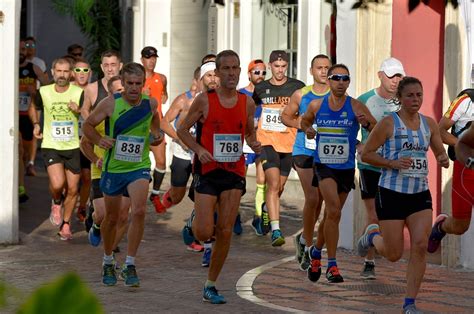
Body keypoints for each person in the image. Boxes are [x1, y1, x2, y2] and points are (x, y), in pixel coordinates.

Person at [357, 77, 449, 313]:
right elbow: (366, 154)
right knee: (393, 254)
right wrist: (391, 162)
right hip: (391, 193)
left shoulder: (429, 124)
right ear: (400, 98)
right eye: (410, 95)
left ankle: (409, 304)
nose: (415, 99)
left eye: (419, 95)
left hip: (419, 195)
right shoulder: (388, 123)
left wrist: (442, 158)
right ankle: (372, 235)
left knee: (419, 246)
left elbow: (439, 151)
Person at [177, 50, 261, 304]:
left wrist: (255, 144)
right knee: (204, 233)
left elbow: (247, 133)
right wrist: (199, 149)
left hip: (234, 171)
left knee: (224, 230)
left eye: (235, 68)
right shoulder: (204, 100)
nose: (232, 73)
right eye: (226, 68)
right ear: (218, 72)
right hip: (208, 170)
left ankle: (211, 284)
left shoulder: (247, 102)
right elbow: (182, 130)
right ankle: (194, 223)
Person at [83, 62, 163, 287]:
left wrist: (155, 134)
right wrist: (100, 140)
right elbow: (87, 126)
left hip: (138, 166)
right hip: (113, 168)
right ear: (123, 82)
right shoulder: (109, 104)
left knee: (138, 212)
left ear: (143, 84)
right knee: (111, 218)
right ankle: (108, 259)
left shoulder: (150, 104)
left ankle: (129, 264)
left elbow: (155, 121)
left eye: (138, 84)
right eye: (130, 84)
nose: (134, 88)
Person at [300, 64, 377, 283]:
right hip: (324, 165)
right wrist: (308, 128)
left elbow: (376, 127)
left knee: (332, 215)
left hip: (345, 168)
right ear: (329, 81)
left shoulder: (355, 106)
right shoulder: (317, 105)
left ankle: (316, 252)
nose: (341, 82)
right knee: (333, 209)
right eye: (336, 78)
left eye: (345, 78)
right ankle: (331, 265)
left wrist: (367, 124)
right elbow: (305, 120)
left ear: (349, 82)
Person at [356, 57, 405, 279]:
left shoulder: (403, 101)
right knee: (373, 213)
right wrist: (357, 144)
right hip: (370, 165)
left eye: (399, 76)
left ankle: (377, 244)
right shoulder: (366, 99)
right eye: (391, 75)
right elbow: (349, 126)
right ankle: (369, 261)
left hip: (395, 167)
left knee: (393, 215)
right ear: (380, 75)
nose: (395, 81)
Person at [282, 54, 331, 271]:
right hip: (304, 151)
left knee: (320, 200)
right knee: (312, 197)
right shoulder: (301, 94)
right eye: (319, 67)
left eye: (327, 68)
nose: (323, 71)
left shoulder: (337, 95)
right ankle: (308, 245)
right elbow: (286, 116)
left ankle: (303, 238)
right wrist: (302, 126)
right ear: (311, 71)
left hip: (326, 152)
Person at [253, 50, 305, 246]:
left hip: (288, 143)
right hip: (266, 141)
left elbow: (304, 109)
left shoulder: (297, 87)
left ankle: (267, 208)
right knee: (273, 184)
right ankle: (276, 230)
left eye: (283, 67)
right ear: (270, 66)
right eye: (276, 66)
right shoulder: (261, 88)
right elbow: (252, 107)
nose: (280, 70)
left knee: (279, 187)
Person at [32, 57, 84, 240]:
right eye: (58, 71)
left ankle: (66, 224)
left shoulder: (78, 92)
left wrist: (78, 110)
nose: (61, 75)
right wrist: (37, 124)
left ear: (70, 74)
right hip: (51, 145)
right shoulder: (44, 91)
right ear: (53, 72)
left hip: (72, 146)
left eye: (65, 71)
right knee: (57, 184)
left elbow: (89, 114)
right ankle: (56, 202)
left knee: (72, 189)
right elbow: (35, 107)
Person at [80, 76, 129, 252]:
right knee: (102, 214)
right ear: (109, 93)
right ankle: (96, 224)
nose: (123, 94)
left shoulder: (135, 113)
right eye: (118, 91)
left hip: (126, 170)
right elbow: (84, 143)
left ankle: (110, 252)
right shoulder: (102, 114)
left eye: (124, 90)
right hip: (102, 170)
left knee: (122, 215)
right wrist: (95, 159)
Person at [159, 67, 204, 252]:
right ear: (197, 81)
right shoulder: (184, 100)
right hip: (182, 152)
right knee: (178, 195)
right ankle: (169, 196)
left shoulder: (217, 100)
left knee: (201, 196)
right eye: (206, 77)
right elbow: (164, 122)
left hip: (202, 155)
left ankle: (192, 231)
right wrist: (179, 138)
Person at [428, 90, 474, 252]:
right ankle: (441, 226)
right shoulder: (465, 101)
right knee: (460, 226)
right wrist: (465, 148)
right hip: (466, 167)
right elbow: (440, 131)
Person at [239, 59, 267, 235]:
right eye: (257, 72)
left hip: (261, 141)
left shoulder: (269, 94)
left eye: (264, 72)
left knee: (262, 181)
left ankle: (258, 217)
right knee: (238, 181)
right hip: (243, 142)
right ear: (249, 74)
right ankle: (234, 215)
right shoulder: (240, 94)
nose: (261, 75)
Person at [141, 46, 169, 212]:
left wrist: (163, 96)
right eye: (148, 58)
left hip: (157, 127)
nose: (151, 61)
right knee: (141, 164)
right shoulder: (136, 79)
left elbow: (164, 95)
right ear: (142, 59)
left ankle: (155, 194)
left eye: (153, 58)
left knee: (161, 163)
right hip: (141, 128)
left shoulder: (162, 78)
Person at [72, 58, 93, 221]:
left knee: (87, 177)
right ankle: (61, 202)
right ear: (73, 73)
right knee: (70, 180)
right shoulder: (68, 90)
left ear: (90, 73)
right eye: (78, 70)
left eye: (85, 70)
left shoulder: (93, 90)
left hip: (86, 140)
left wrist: (80, 110)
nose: (81, 74)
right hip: (69, 140)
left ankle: (82, 206)